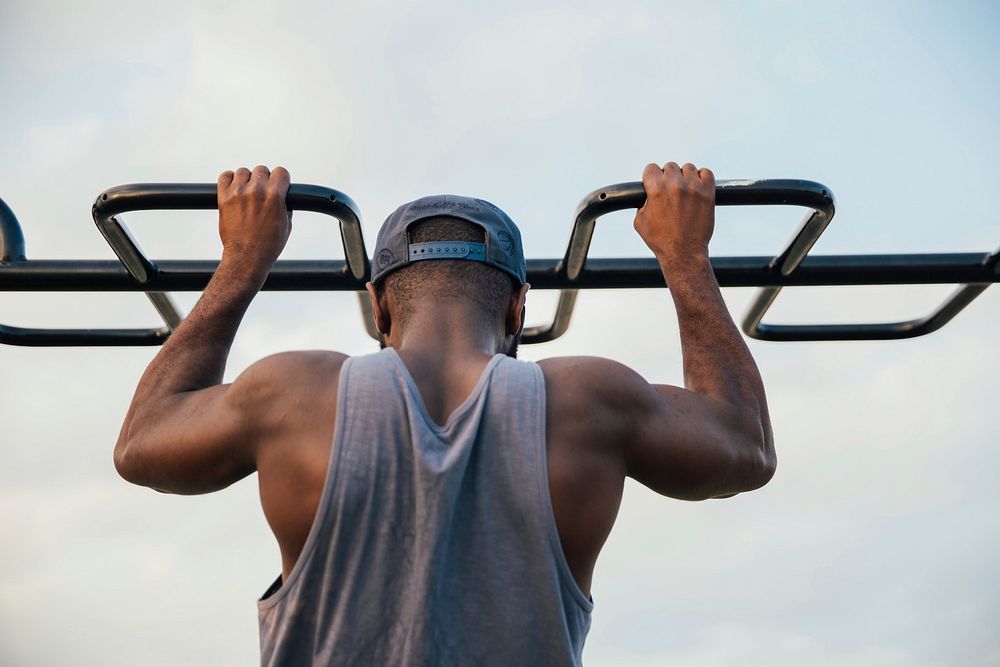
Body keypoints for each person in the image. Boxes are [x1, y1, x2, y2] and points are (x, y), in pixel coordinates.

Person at [113, 162, 776, 666]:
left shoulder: (293, 394)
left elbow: (142, 442)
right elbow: (744, 445)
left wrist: (241, 262)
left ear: (380, 309)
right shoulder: (589, 402)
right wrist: (685, 257)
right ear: (518, 310)